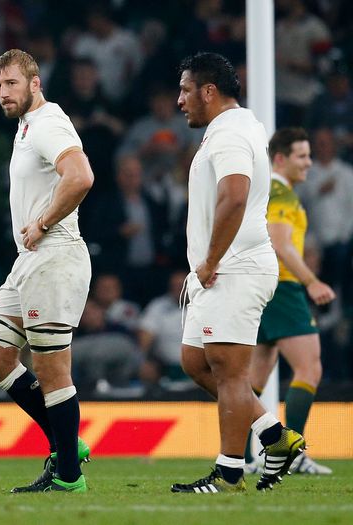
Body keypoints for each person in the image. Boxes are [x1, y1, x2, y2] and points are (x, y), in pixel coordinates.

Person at [171, 52, 305, 494]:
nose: (180, 100)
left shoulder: (229, 134)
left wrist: (209, 261)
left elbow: (234, 196)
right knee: (195, 361)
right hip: (226, 267)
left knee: (229, 372)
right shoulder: (236, 128)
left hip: (235, 267)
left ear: (209, 91)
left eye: (186, 90)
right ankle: (275, 437)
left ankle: (229, 474)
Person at [0, 49, 94, 493]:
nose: (3, 93)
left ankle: (68, 474)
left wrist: (43, 221)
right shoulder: (28, 127)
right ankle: (68, 446)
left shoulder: (48, 123)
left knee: (52, 370)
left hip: (54, 253)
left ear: (34, 82)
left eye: (11, 83)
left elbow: (80, 176)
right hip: (30, 258)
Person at [247, 128, 335, 475]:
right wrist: (311, 281)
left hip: (260, 285)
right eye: (302, 156)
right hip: (283, 287)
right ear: (280, 158)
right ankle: (293, 455)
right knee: (309, 367)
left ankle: (241, 458)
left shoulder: (266, 191)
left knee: (252, 380)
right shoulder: (280, 193)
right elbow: (281, 243)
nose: (309, 163)